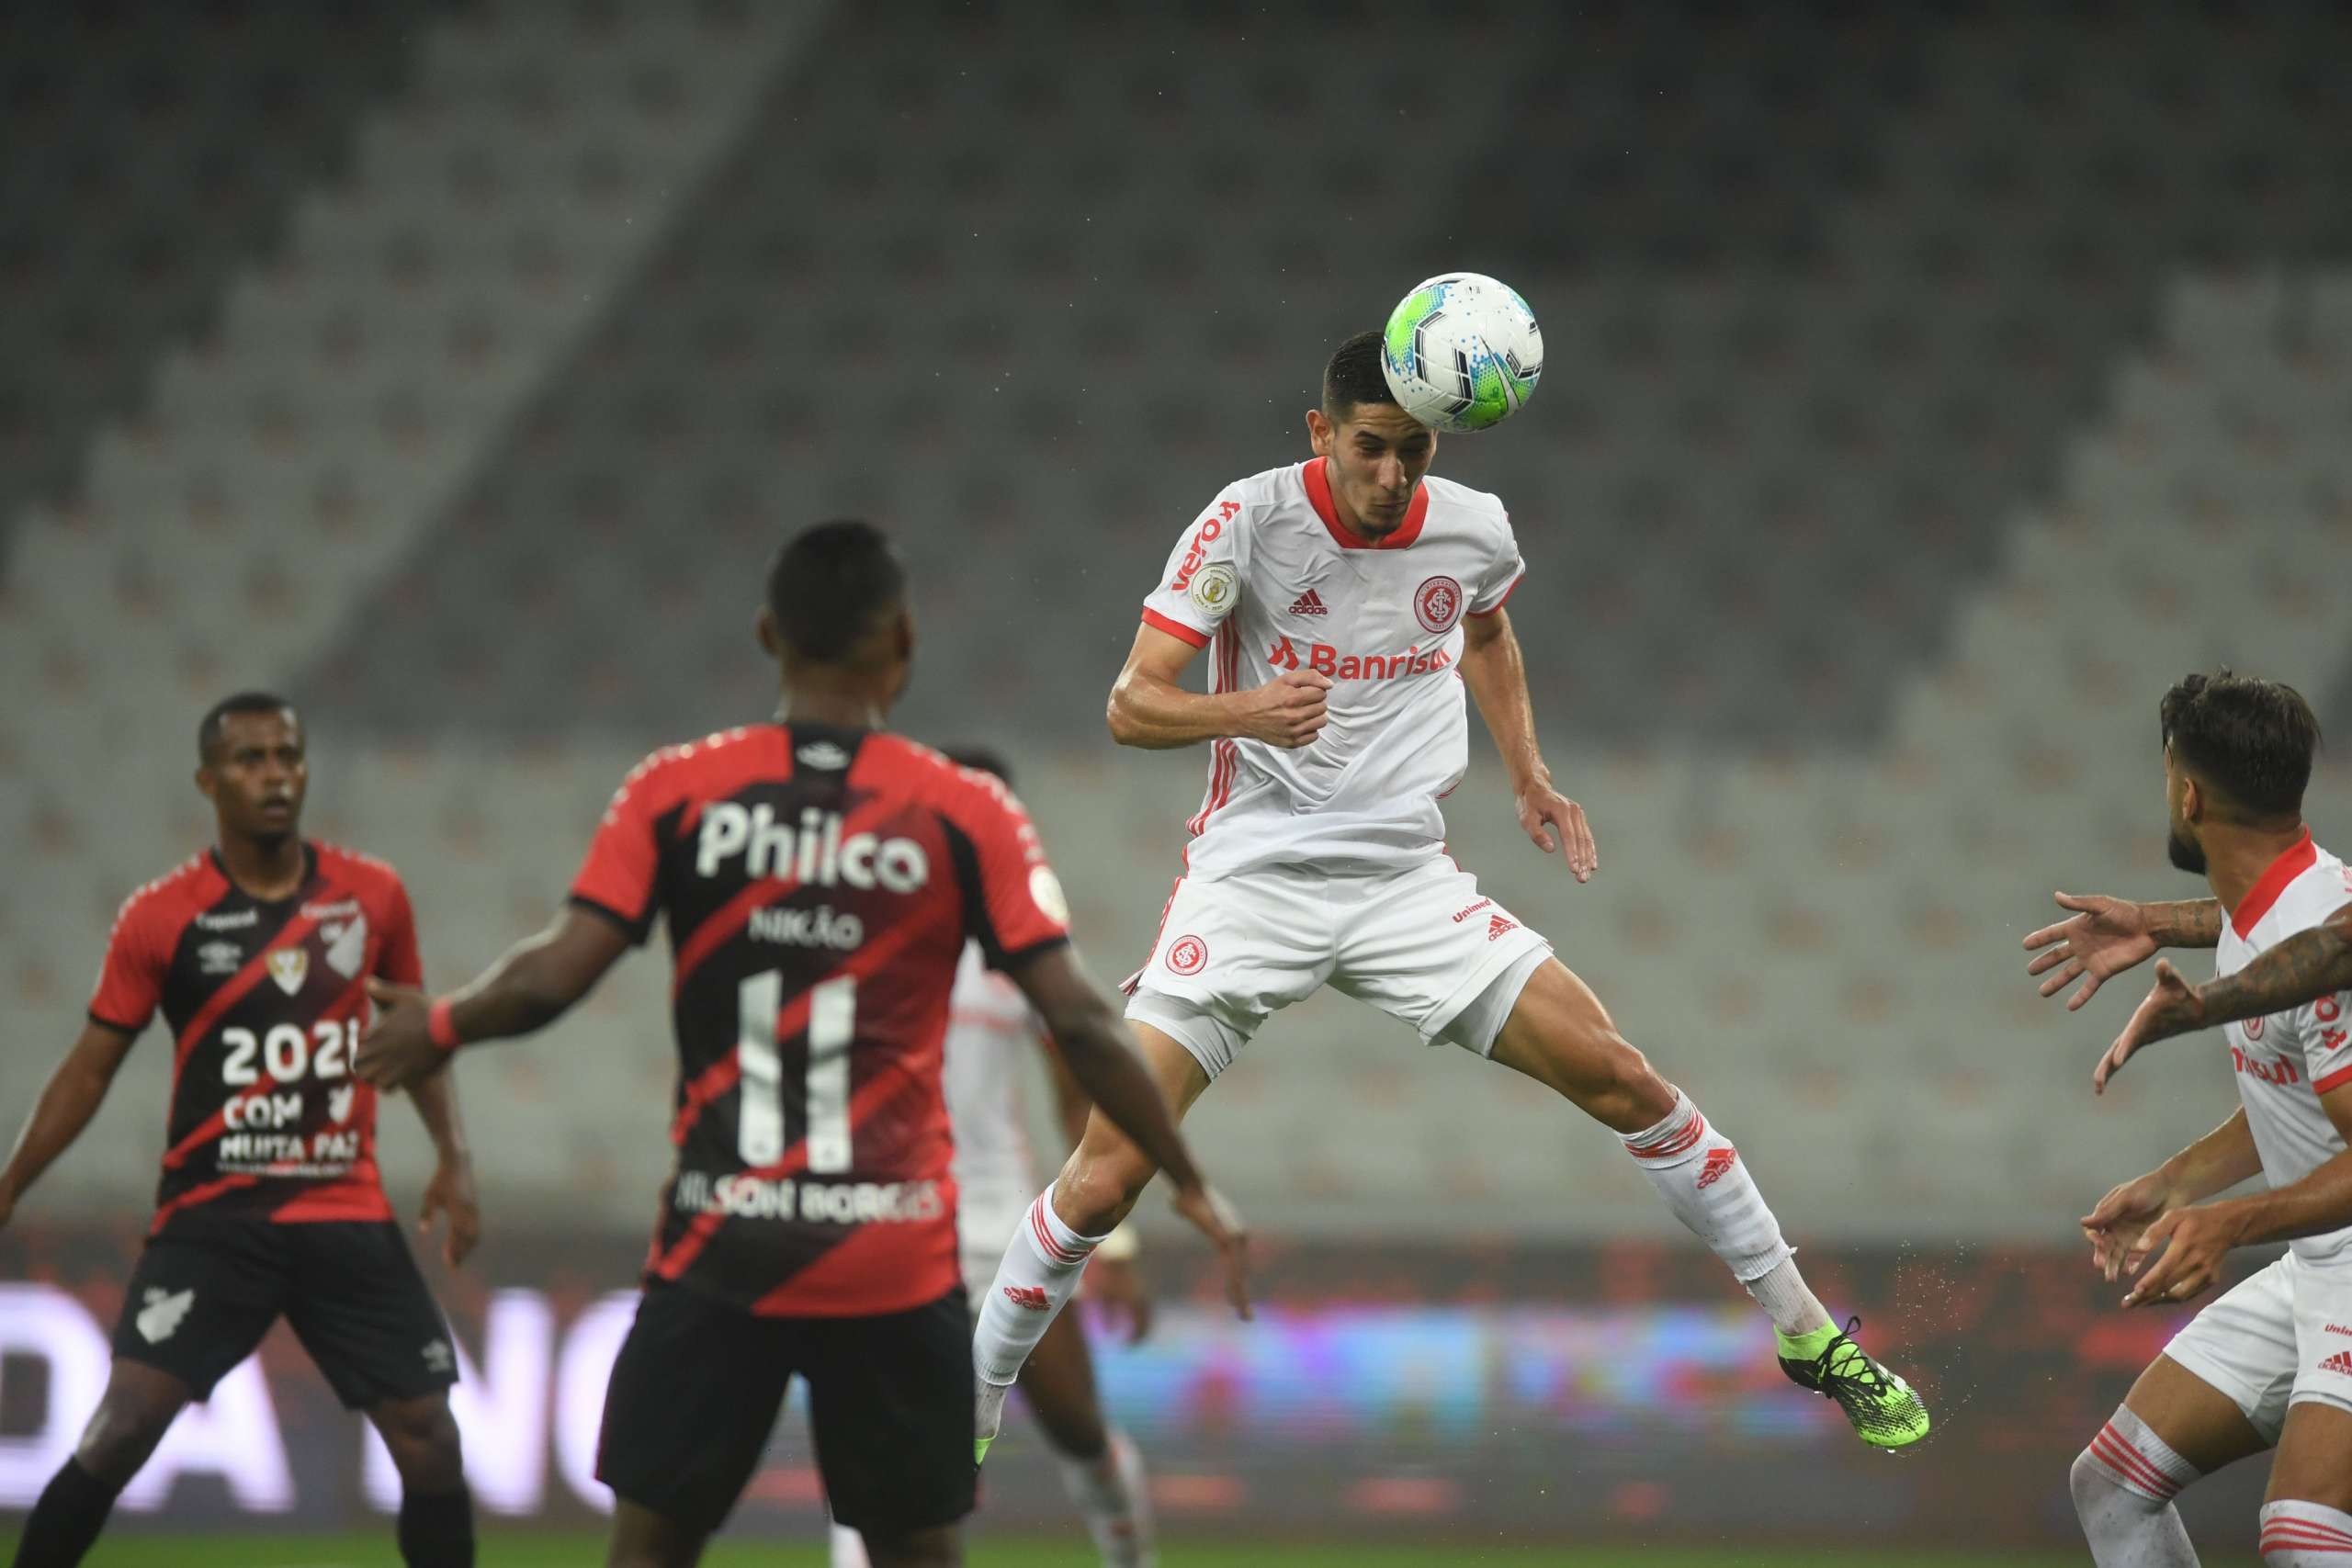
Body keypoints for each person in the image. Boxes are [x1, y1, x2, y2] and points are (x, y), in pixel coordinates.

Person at [967, 331, 1929, 1464]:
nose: (1391, 479)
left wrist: (1526, 768)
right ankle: (970, 1404)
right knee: (1107, 1173)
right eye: (1370, 450)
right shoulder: (1246, 520)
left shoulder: (1474, 528)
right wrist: (1249, 711)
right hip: (1254, 879)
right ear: (1319, 433)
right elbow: (1133, 704)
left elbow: (1486, 628)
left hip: (1405, 885)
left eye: (1413, 454)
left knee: (1626, 1080)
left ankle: (1808, 1336)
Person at [355, 521, 1241, 1568]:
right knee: (918, 1553)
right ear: (902, 642)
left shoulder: (678, 789)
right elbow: (1088, 1023)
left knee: (647, 1556)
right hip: (895, 1257)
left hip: (720, 1245)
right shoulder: (964, 813)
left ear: (768, 633)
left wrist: (440, 1025)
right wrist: (1180, 1176)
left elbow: (560, 969)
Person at [0, 693, 480, 1568]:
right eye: (252, 759)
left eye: (288, 757)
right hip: (213, 1218)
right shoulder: (162, 915)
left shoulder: (372, 898)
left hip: (343, 1211)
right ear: (208, 780)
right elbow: (89, 1068)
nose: (275, 776)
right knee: (121, 1427)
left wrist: (455, 1159)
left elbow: (418, 1035)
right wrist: (9, 1183)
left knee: (432, 1437)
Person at [2038, 671, 2352, 1566]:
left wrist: (2230, 1220)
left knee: (2303, 1532)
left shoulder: (2319, 942)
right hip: (2320, 1267)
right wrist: (2174, 1184)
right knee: (2112, 1487)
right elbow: (2304, 1113)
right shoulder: (2267, 915)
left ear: (2186, 792)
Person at [827, 746, 1155, 1568]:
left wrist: (1111, 1240)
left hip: (1004, 1229)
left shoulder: (1025, 940)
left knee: (1082, 1433)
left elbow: (1075, 1091)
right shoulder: (863, 930)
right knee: (875, 1454)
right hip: (892, 1230)